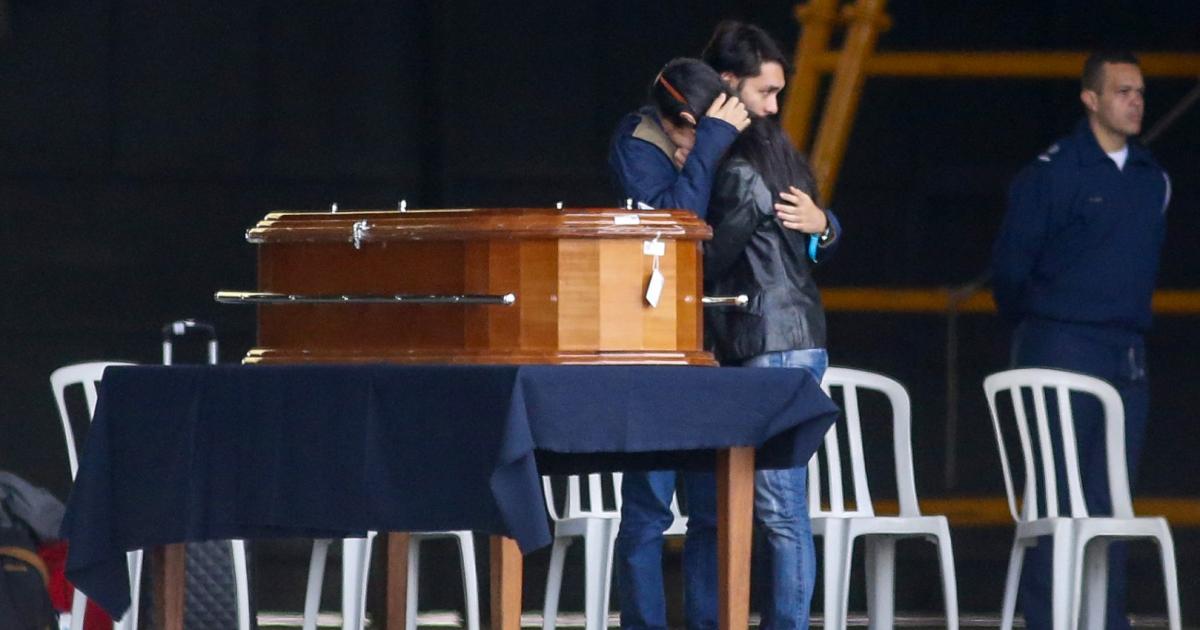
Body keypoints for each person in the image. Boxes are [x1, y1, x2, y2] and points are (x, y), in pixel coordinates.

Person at [991, 50, 1170, 630]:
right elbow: (1010, 271)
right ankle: (1049, 620)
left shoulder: (1152, 179)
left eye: (1140, 92)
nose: (1136, 102)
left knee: (1111, 501)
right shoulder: (1053, 173)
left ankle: (1104, 619)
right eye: (1122, 91)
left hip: (1126, 355)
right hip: (1061, 346)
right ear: (1091, 99)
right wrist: (1043, 325)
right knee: (1057, 498)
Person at [702, 21, 839, 630]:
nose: (775, 107)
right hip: (794, 339)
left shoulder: (741, 167)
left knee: (779, 509)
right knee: (780, 508)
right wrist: (825, 228)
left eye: (778, 92)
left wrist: (825, 226)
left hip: (771, 342)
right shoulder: (771, 157)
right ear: (728, 82)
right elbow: (803, 241)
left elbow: (710, 260)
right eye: (766, 92)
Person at [608, 58, 749, 630]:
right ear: (680, 123)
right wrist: (712, 142)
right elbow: (675, 220)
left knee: (712, 508)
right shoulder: (638, 140)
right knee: (648, 508)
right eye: (697, 135)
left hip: (717, 339)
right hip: (655, 340)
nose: (701, 150)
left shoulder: (724, 135)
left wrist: (825, 228)